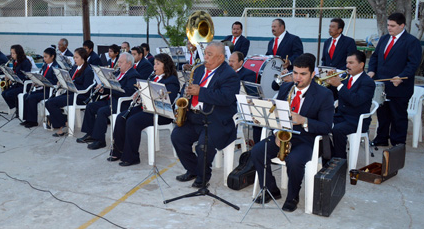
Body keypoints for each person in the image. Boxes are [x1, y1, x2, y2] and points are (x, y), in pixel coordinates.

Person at [250, 54, 334, 212]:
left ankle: (293, 196)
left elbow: (326, 127)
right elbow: (276, 115)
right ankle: (270, 189)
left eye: (303, 74)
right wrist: (276, 133)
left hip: (306, 139)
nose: (298, 78)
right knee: (257, 152)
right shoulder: (286, 88)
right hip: (282, 136)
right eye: (295, 73)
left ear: (313, 74)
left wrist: (304, 120)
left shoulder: (324, 95)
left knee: (294, 161)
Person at [171, 42, 240, 188]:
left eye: (210, 55)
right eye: (205, 53)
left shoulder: (230, 75)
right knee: (177, 136)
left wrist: (200, 92)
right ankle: (193, 169)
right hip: (195, 116)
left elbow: (226, 97)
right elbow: (187, 86)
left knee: (203, 146)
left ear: (221, 57)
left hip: (216, 119)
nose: (205, 57)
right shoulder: (199, 69)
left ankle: (203, 177)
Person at [109, 53, 180, 166]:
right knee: (121, 117)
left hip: (161, 114)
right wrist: (140, 94)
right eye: (154, 64)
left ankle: (132, 157)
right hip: (147, 109)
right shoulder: (152, 77)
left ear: (166, 66)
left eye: (158, 64)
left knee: (133, 121)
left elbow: (167, 101)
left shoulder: (171, 80)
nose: (154, 66)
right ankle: (118, 151)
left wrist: (149, 94)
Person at [367, 12, 421, 147]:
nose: (389, 28)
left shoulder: (411, 41)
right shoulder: (384, 39)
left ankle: (398, 143)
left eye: (393, 25)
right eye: (388, 25)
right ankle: (381, 138)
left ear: (402, 25)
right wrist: (372, 71)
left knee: (398, 116)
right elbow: (375, 57)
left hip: (400, 86)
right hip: (382, 85)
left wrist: (401, 77)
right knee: (382, 115)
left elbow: (413, 63)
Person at [77, 52, 139, 150]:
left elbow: (127, 93)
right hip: (111, 100)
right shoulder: (118, 73)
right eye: (118, 62)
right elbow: (111, 88)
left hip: (121, 104)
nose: (118, 64)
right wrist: (103, 89)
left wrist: (110, 88)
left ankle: (100, 140)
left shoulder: (133, 75)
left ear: (129, 64)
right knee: (90, 106)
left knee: (102, 111)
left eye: (121, 62)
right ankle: (90, 134)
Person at [325, 51, 375, 159]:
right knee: (320, 122)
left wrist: (339, 84)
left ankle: (340, 160)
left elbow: (356, 100)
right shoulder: (346, 78)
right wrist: (330, 82)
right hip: (342, 116)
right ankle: (330, 156)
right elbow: (336, 94)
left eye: (351, 63)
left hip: (357, 119)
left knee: (337, 130)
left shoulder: (367, 82)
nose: (347, 66)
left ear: (361, 65)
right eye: (347, 63)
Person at [46, 47, 94, 137]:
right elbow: (70, 79)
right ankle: (64, 121)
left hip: (80, 96)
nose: (74, 59)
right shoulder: (75, 67)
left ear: (83, 58)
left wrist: (72, 84)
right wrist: (62, 81)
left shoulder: (88, 70)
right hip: (70, 93)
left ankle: (62, 126)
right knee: (48, 102)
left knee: (52, 103)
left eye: (76, 57)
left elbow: (85, 88)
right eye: (74, 57)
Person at [20, 46, 59, 128]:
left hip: (50, 91)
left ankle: (33, 121)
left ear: (52, 57)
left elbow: (55, 81)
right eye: (43, 57)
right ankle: (27, 119)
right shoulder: (45, 65)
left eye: (46, 57)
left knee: (32, 98)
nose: (44, 59)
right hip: (43, 89)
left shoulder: (56, 67)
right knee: (26, 96)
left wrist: (42, 82)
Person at [1, 44, 32, 113]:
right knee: (4, 93)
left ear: (19, 53)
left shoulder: (25, 62)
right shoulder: (15, 61)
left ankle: (19, 108)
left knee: (9, 94)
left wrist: (13, 77)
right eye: (11, 53)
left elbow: (25, 76)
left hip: (24, 85)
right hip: (17, 84)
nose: (12, 55)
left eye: (14, 53)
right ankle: (17, 107)